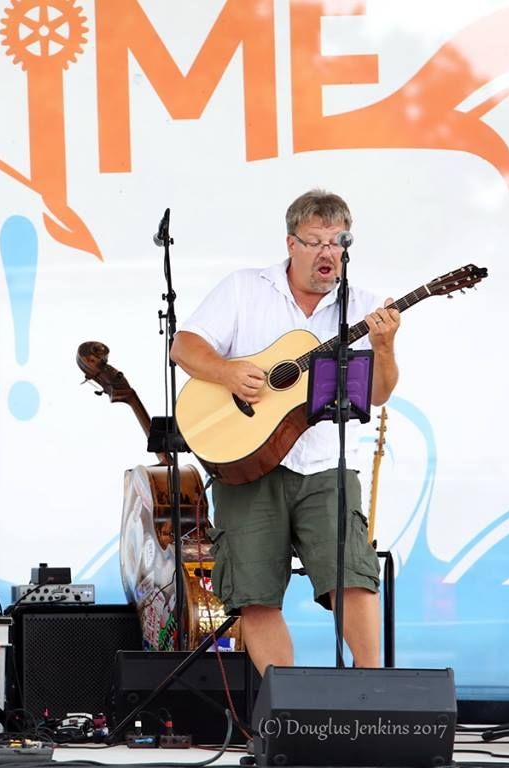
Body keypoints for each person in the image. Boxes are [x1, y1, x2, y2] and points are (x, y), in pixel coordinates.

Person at [169, 189, 400, 674]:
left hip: (325, 465)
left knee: (352, 577)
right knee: (253, 593)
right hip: (247, 464)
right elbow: (184, 347)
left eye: (337, 243)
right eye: (316, 241)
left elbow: (378, 394)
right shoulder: (244, 288)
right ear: (291, 243)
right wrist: (228, 373)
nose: (327, 253)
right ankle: (287, 700)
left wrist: (385, 346)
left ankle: (373, 691)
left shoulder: (363, 304)